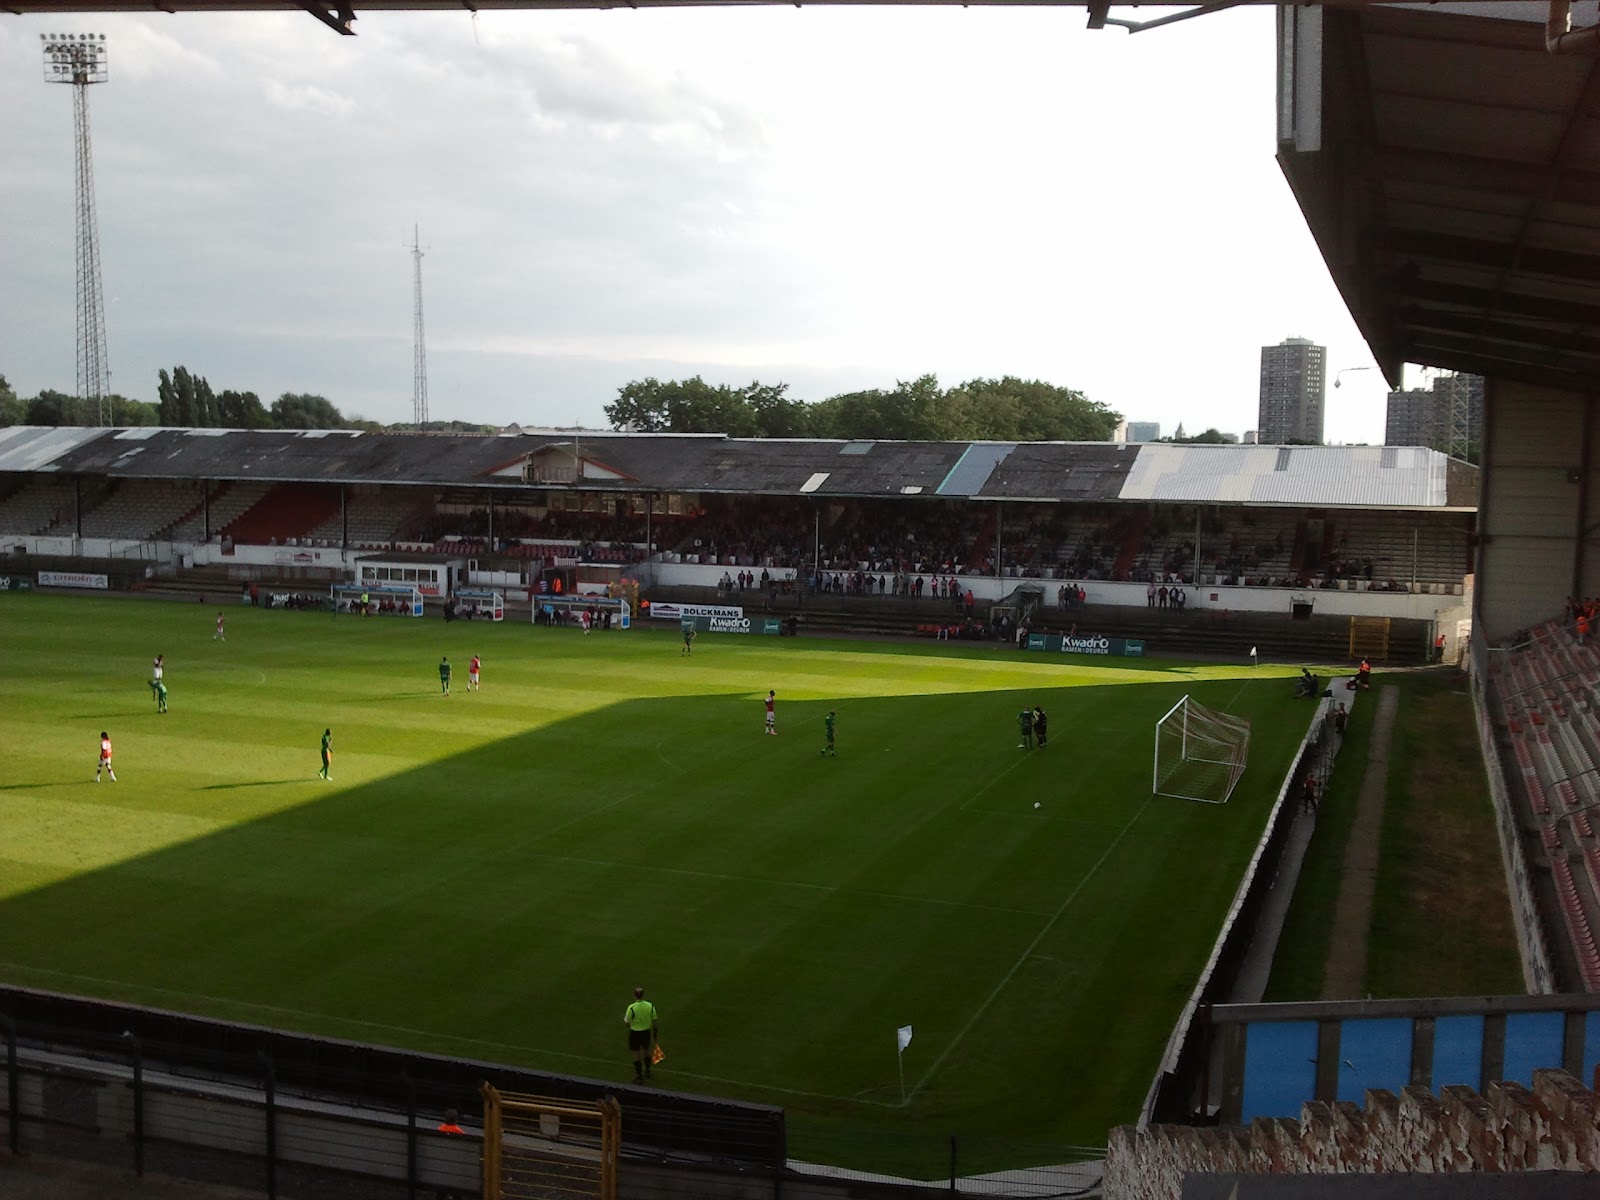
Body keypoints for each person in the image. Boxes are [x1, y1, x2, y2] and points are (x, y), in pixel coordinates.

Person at [624, 986, 660, 1082]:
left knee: (636, 1054)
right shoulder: (650, 1006)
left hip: (635, 1033)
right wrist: (655, 1034)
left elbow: (626, 1023)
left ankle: (639, 1076)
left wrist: (633, 1024)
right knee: (647, 1051)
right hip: (646, 1032)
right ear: (643, 995)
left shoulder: (631, 1007)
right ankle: (647, 1070)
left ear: (635, 995)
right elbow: (654, 1021)